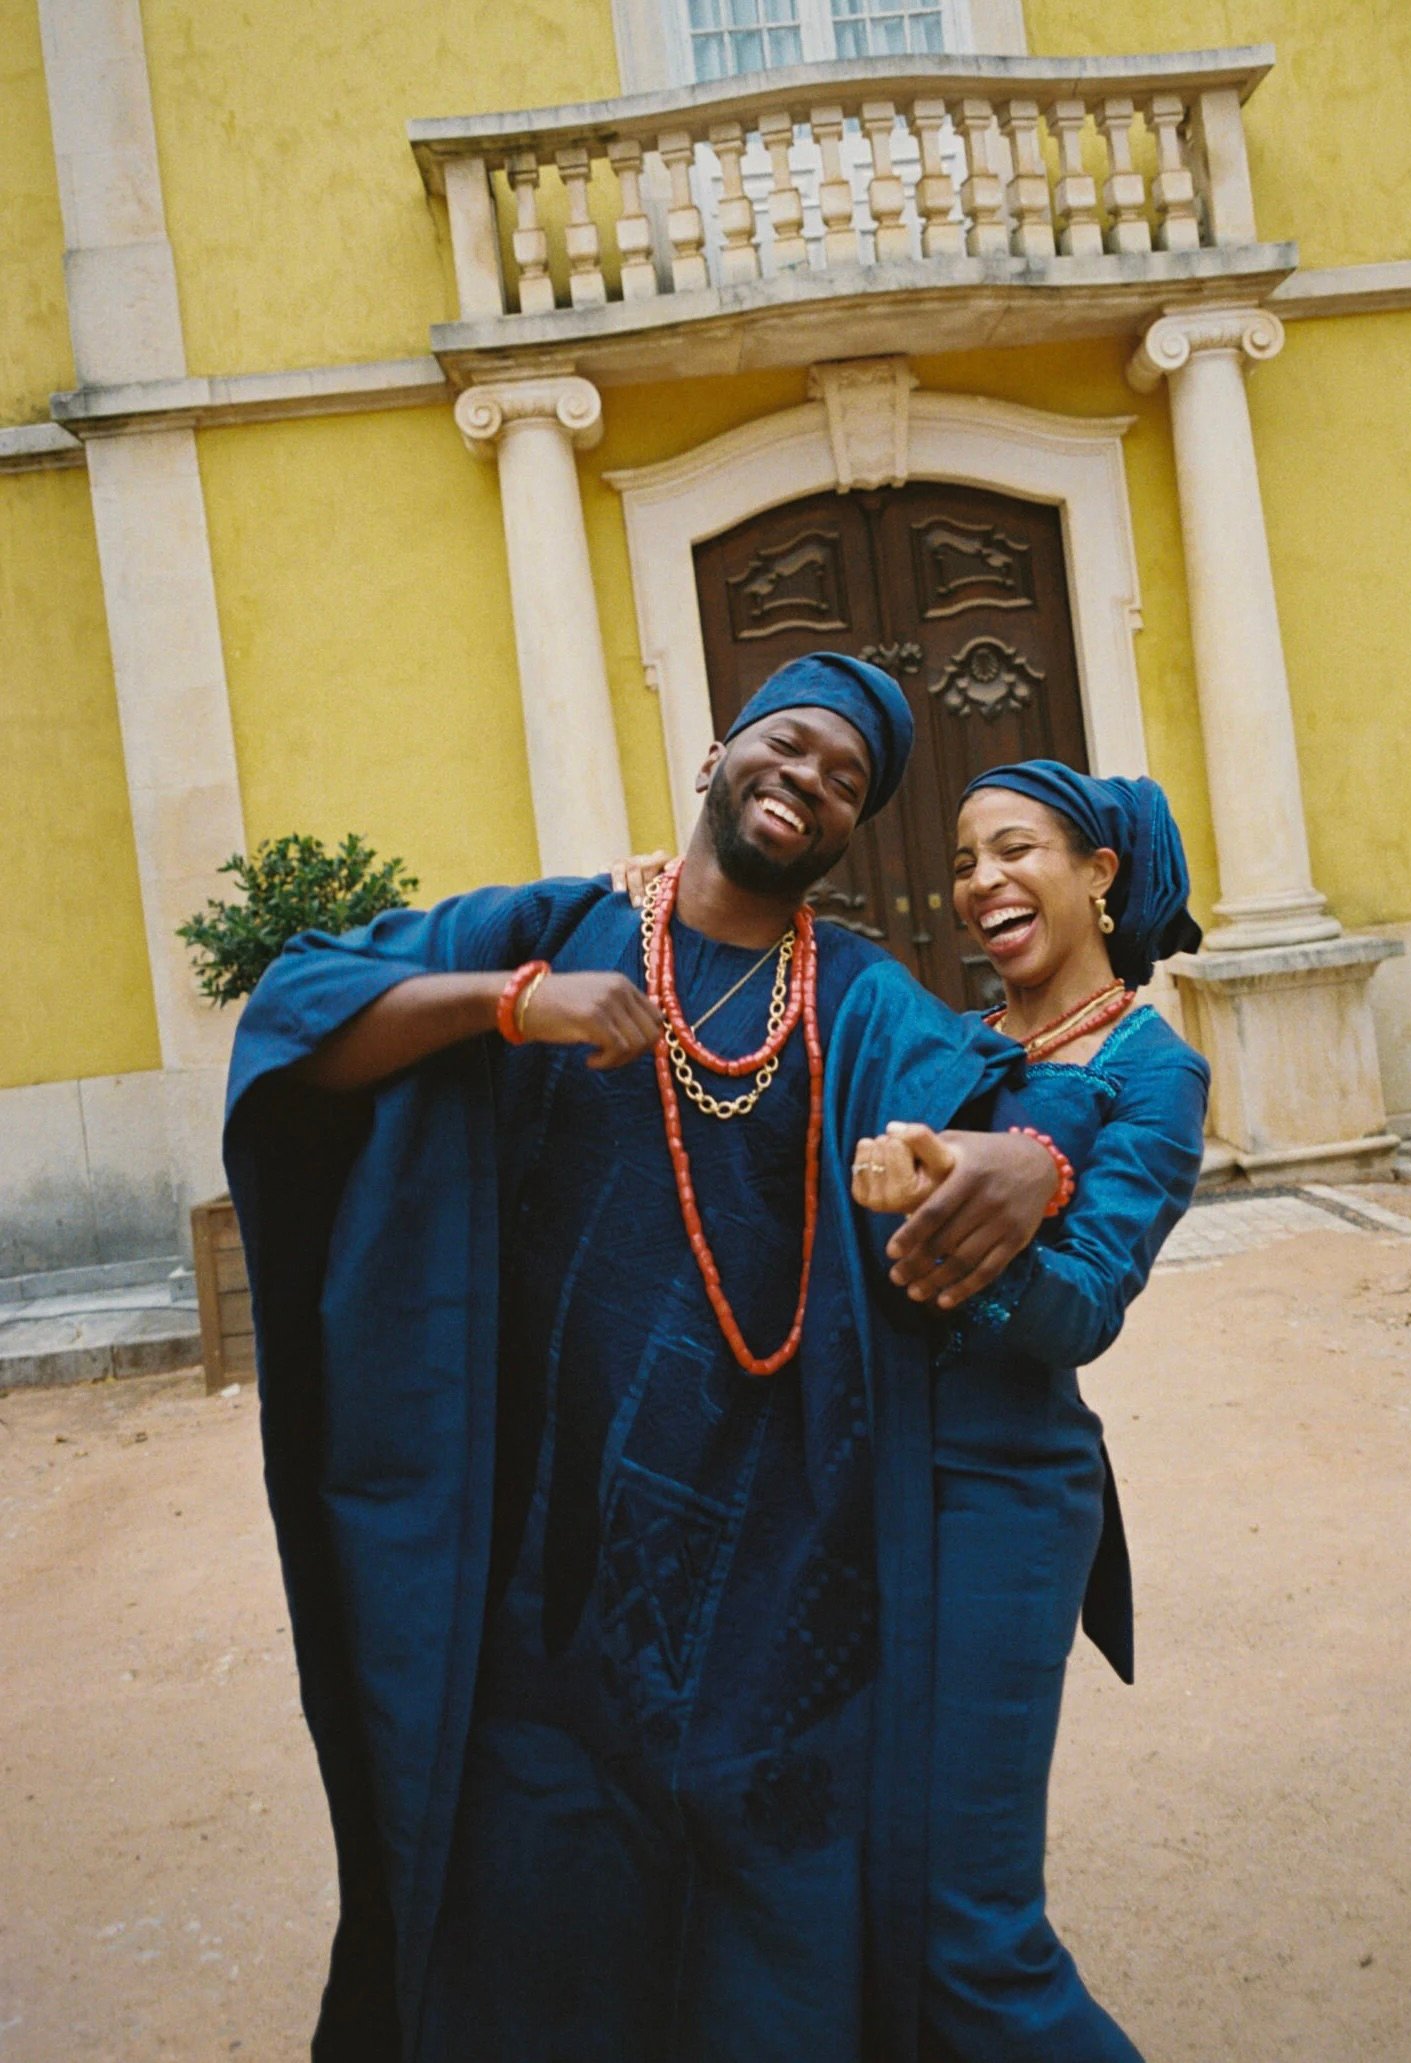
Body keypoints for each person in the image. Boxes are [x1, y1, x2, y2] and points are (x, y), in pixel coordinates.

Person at [223, 654, 1066, 2063]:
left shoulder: (855, 994)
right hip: (540, 1566)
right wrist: (511, 1002)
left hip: (782, 1567)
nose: (807, 782)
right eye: (788, 746)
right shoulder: (553, 924)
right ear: (718, 751)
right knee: (536, 1908)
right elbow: (297, 1023)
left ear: (856, 831)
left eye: (846, 779)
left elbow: (1014, 1093)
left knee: (776, 1922)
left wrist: (1025, 1159)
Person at [850, 760, 1210, 2061]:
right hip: (859, 1485)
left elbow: (1087, 1306)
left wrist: (968, 1226)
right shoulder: (943, 1042)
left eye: (1013, 849)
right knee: (862, 1885)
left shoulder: (1153, 1076)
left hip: (1000, 1498)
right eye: (961, 860)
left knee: (968, 1930)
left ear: (1098, 875)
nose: (979, 882)